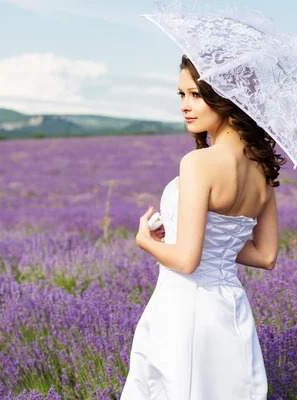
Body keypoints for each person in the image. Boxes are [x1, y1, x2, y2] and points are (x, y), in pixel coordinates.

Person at [120, 55, 283, 400]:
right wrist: (194, 233)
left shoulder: (198, 163)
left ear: (225, 98)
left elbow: (186, 262)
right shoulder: (262, 173)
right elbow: (266, 256)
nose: (185, 106)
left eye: (196, 94)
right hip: (230, 311)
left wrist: (144, 240)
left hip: (184, 308)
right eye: (180, 95)